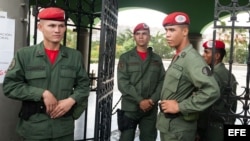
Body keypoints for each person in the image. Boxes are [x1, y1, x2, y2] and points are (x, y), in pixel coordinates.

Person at [2, 7, 90, 141]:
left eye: (61, 26)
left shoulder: (74, 56)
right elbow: (10, 86)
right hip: (34, 129)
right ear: (40, 27)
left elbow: (84, 85)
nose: (57, 30)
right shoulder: (25, 55)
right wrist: (42, 93)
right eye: (52, 25)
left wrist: (71, 100)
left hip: (63, 129)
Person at [156, 12, 220, 141]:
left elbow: (212, 91)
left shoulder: (192, 59)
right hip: (170, 127)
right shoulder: (180, 56)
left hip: (179, 130)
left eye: (172, 30)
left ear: (185, 31)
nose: (167, 34)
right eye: (166, 30)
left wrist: (180, 107)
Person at [117, 23, 165, 141]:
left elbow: (162, 81)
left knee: (148, 138)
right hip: (130, 108)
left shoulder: (156, 59)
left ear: (149, 37)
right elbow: (122, 83)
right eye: (138, 34)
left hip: (150, 109)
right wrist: (140, 100)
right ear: (134, 36)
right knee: (126, 138)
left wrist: (152, 100)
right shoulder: (126, 58)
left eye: (144, 34)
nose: (141, 36)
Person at [197, 40, 238, 141]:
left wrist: (198, 129)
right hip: (224, 123)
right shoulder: (229, 75)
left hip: (211, 128)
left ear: (217, 56)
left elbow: (205, 104)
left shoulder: (214, 76)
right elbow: (234, 103)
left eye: (206, 52)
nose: (203, 55)